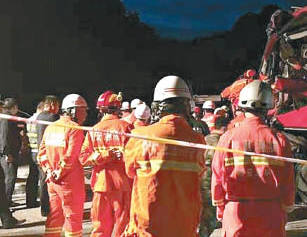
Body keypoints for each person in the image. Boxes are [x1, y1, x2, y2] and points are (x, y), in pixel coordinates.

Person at [123, 75, 206, 237]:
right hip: (185, 226)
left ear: (157, 107)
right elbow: (200, 173)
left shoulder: (141, 136)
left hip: (149, 226)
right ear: (187, 106)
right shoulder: (197, 141)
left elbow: (130, 171)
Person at [211, 80, 295, 236]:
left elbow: (218, 178)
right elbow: (288, 179)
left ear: (241, 106)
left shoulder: (228, 138)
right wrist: (285, 208)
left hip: (236, 212)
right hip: (270, 213)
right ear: (269, 106)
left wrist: (221, 209)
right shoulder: (280, 140)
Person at [80, 91, 132, 237]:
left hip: (100, 185)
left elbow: (83, 158)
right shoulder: (127, 128)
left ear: (101, 110)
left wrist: (103, 156)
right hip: (122, 184)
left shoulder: (93, 130)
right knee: (123, 226)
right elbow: (136, 156)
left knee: (100, 227)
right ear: (118, 109)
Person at [37, 94, 88, 237]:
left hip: (52, 181)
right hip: (69, 182)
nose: (85, 113)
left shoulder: (51, 127)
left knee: (55, 216)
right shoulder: (75, 128)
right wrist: (60, 171)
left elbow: (41, 154)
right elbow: (71, 156)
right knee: (73, 218)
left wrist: (48, 170)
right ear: (73, 111)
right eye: (83, 110)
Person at [200, 115, 228, 237]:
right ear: (224, 128)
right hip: (213, 187)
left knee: (201, 219)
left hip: (199, 184)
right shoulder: (224, 144)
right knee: (209, 221)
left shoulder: (203, 140)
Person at [36, 95, 60, 216]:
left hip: (41, 152)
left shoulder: (39, 116)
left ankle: (44, 208)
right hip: (51, 153)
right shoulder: (53, 117)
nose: (58, 108)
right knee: (50, 181)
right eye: (57, 105)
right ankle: (52, 208)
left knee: (43, 180)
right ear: (52, 104)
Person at [0, 99, 22, 228]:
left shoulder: (7, 117)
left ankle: (7, 216)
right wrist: (7, 153)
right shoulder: (6, 118)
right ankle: (7, 202)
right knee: (10, 178)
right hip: (8, 154)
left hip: (9, 152)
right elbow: (4, 136)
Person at [25, 101, 45, 208]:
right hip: (39, 151)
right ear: (42, 108)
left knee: (32, 177)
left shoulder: (29, 119)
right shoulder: (41, 120)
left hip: (31, 150)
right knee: (42, 177)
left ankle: (30, 201)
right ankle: (44, 201)